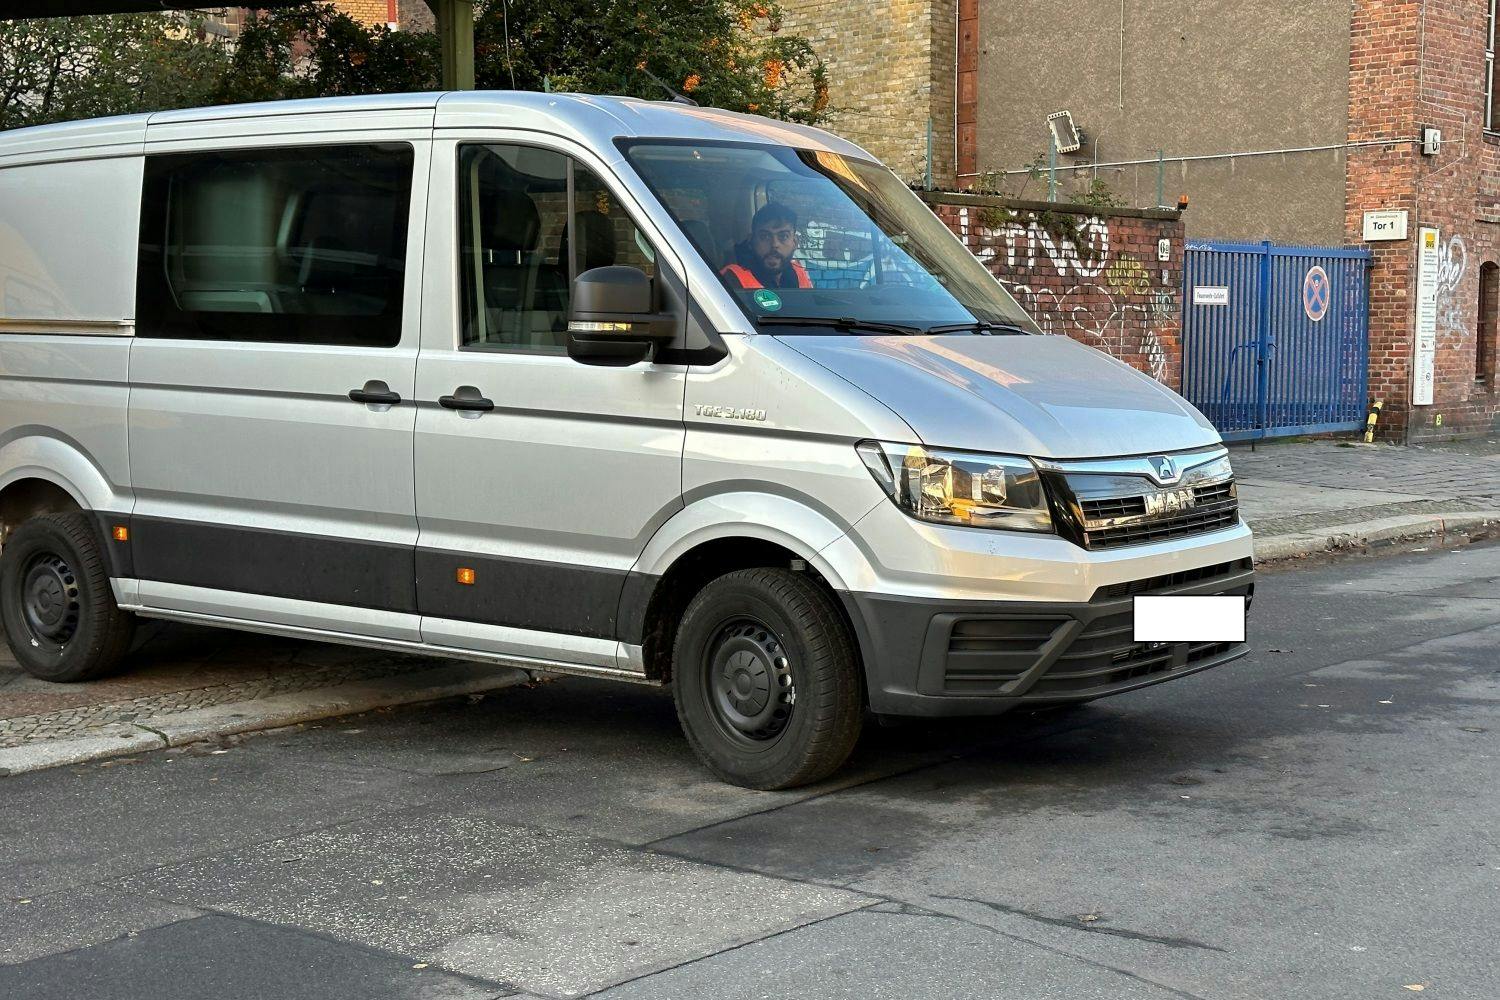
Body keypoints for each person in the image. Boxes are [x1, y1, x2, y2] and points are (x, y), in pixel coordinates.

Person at [720, 203, 813, 289]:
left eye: (783, 236)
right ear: (751, 241)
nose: (774, 244)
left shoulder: (799, 274)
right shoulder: (732, 278)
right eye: (765, 236)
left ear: (795, 242)